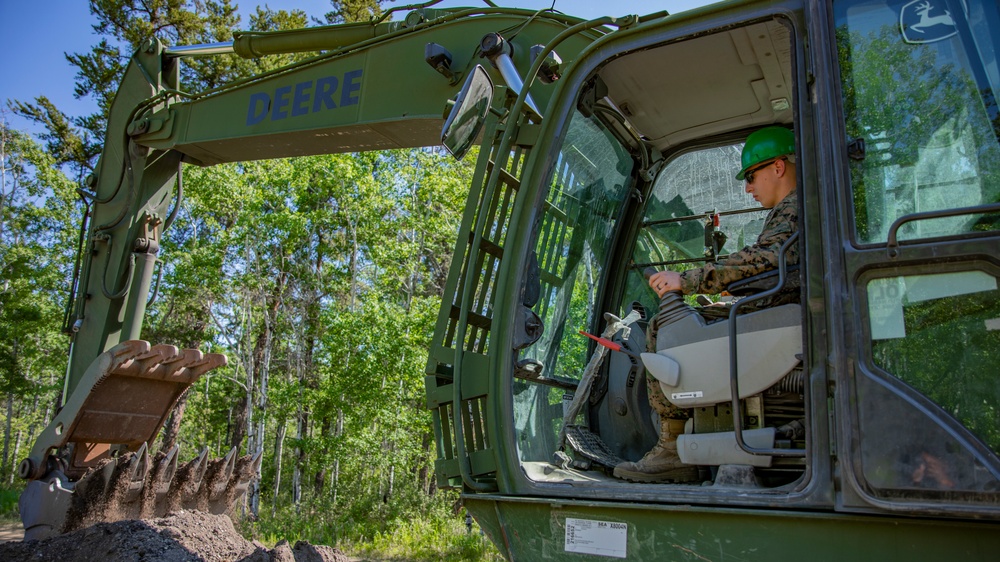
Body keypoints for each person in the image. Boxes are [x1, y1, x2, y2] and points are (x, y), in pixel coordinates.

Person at [613, 125, 800, 483]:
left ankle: (672, 448)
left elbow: (767, 257)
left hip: (776, 318)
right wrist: (734, 289)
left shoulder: (794, 208)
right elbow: (775, 266)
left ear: (777, 167)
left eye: (751, 175)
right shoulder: (796, 209)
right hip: (777, 311)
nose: (747, 187)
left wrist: (686, 280)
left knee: (663, 327)